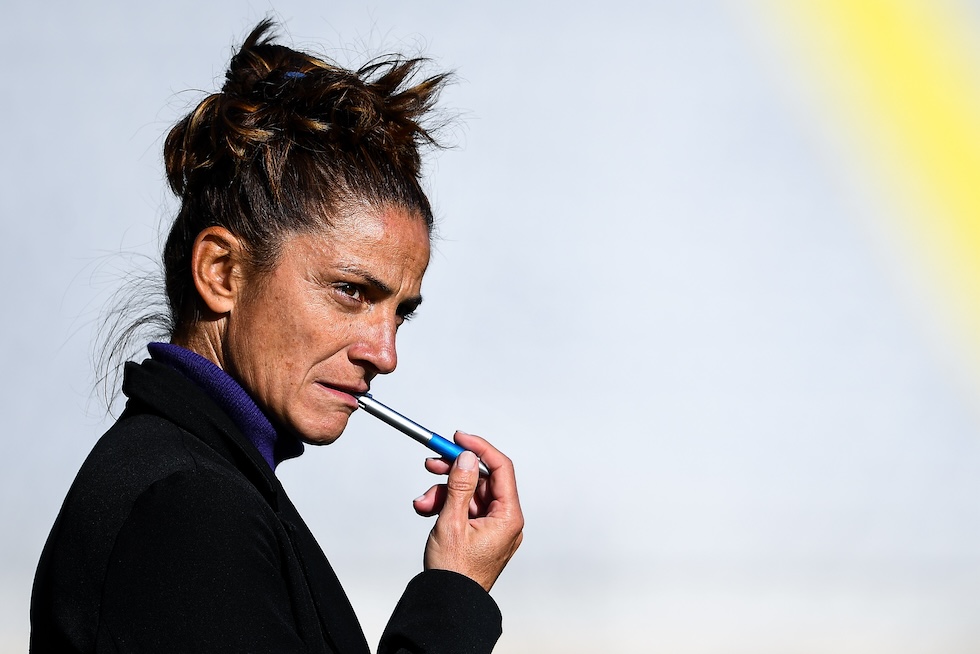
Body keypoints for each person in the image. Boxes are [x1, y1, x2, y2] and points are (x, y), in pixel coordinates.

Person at [30, 20, 523, 654]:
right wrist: (454, 598)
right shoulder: (185, 509)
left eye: (400, 313)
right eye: (351, 291)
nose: (385, 354)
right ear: (222, 272)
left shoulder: (204, 484)